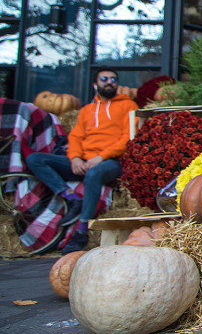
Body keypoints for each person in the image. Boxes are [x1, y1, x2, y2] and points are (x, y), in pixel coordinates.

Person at [26, 68, 138, 253]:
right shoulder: (87, 110)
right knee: (35, 159)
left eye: (113, 79)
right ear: (95, 84)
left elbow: (128, 138)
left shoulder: (129, 106)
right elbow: (76, 137)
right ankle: (70, 197)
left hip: (112, 162)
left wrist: (100, 157)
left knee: (94, 173)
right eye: (104, 78)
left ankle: (82, 232)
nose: (109, 82)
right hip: (84, 161)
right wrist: (75, 158)